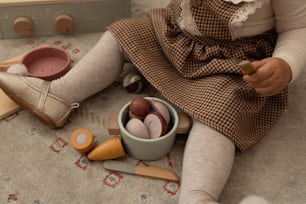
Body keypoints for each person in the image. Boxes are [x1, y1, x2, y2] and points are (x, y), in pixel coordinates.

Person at [0, 0, 306, 203]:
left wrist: (285, 64)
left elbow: (297, 28)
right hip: (175, 35)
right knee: (124, 35)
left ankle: (198, 196)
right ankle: (59, 95)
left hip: (231, 63)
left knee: (221, 114)